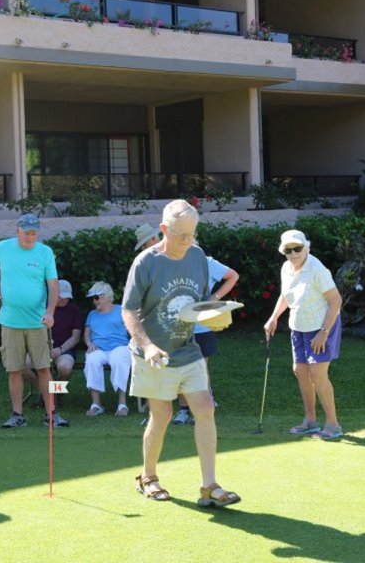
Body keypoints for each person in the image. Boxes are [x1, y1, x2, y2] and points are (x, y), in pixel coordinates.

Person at [122, 199, 240, 508]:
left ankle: (209, 486)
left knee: (205, 407)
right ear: (163, 229)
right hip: (153, 353)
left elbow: (197, 303)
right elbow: (128, 310)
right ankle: (148, 477)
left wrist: (214, 314)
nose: (188, 240)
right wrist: (148, 345)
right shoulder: (145, 262)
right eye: (180, 234)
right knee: (161, 415)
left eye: (192, 233)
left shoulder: (197, 256)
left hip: (187, 348)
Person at [0, 213, 67, 428]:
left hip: (38, 322)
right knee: (14, 370)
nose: (30, 237)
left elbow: (53, 285)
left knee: (44, 368)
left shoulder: (45, 252)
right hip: (10, 321)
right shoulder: (3, 247)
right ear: (17, 231)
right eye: (26, 233)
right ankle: (17, 415)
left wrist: (50, 312)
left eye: (33, 233)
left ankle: (51, 414)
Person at [264, 229, 344, 440]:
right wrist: (274, 317)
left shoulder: (317, 269)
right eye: (288, 250)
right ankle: (310, 421)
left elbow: (336, 301)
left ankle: (333, 424)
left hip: (321, 326)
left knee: (317, 373)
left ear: (306, 248)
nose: (293, 253)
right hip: (298, 326)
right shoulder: (286, 268)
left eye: (297, 248)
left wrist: (323, 333)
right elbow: (286, 295)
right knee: (300, 370)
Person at [172, 258, 239, 425]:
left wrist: (214, 297)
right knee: (180, 367)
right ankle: (184, 410)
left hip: (202, 326)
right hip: (178, 326)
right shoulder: (170, 261)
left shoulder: (207, 262)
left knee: (200, 368)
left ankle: (201, 410)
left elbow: (233, 276)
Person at [23, 279, 82, 410]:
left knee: (65, 368)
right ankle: (45, 392)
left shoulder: (74, 310)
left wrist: (60, 349)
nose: (64, 300)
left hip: (64, 348)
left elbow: (75, 337)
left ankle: (56, 393)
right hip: (41, 346)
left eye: (66, 297)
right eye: (60, 296)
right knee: (22, 366)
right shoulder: (41, 309)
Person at [83, 281, 131, 416]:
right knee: (91, 360)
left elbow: (133, 330)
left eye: (96, 297)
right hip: (98, 349)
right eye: (92, 298)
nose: (94, 301)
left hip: (120, 347)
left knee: (119, 359)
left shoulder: (122, 310)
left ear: (107, 296)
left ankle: (122, 404)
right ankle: (96, 404)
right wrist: (89, 344)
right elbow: (86, 334)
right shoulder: (92, 314)